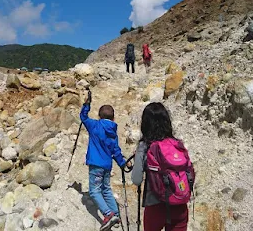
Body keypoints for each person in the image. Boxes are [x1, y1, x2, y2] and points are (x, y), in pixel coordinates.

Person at [131, 103, 193, 231]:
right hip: (179, 205)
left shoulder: (144, 146)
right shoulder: (177, 145)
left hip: (155, 206)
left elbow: (136, 179)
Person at [80, 98, 130, 231]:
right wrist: (123, 163)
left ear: (99, 116)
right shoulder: (113, 131)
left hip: (95, 164)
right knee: (106, 189)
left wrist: (86, 104)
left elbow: (83, 117)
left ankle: (108, 214)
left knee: (94, 190)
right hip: (107, 165)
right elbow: (116, 150)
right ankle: (117, 216)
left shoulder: (94, 125)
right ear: (113, 118)